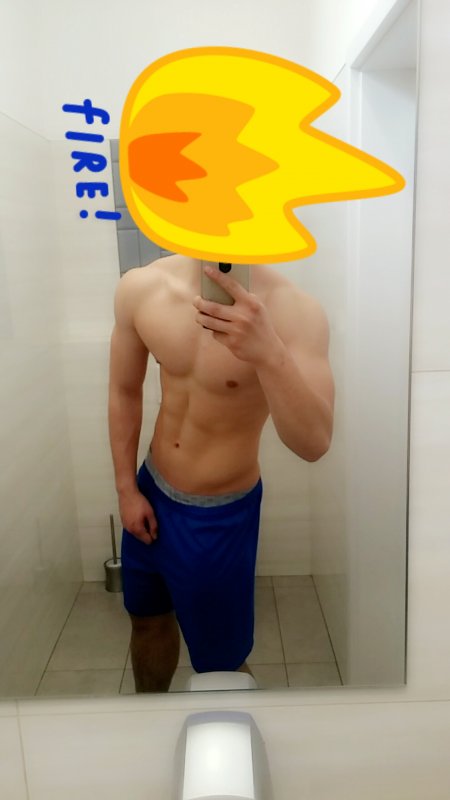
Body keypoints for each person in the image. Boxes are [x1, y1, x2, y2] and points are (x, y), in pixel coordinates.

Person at [108, 254, 334, 692]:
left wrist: (268, 351)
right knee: (146, 620)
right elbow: (123, 391)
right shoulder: (143, 287)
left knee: (221, 664)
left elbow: (314, 443)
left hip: (221, 516)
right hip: (151, 489)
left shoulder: (296, 313)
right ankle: (149, 711)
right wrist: (126, 490)